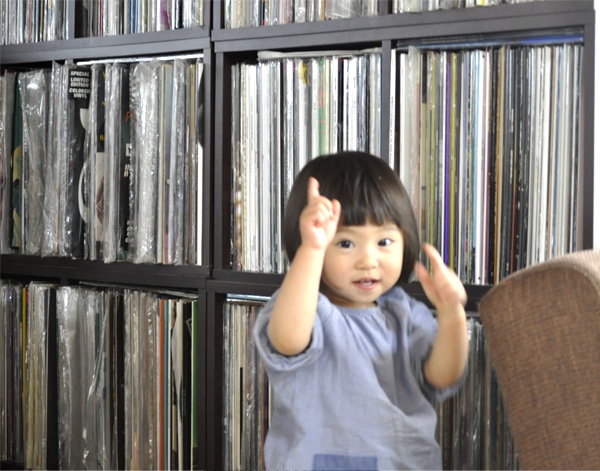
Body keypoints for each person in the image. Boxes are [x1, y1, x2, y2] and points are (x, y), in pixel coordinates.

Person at [252, 151, 469, 470]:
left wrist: (452, 314)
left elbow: (442, 378)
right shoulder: (308, 308)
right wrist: (312, 249)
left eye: (384, 242)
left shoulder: (406, 314)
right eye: (345, 244)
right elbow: (287, 340)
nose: (368, 260)